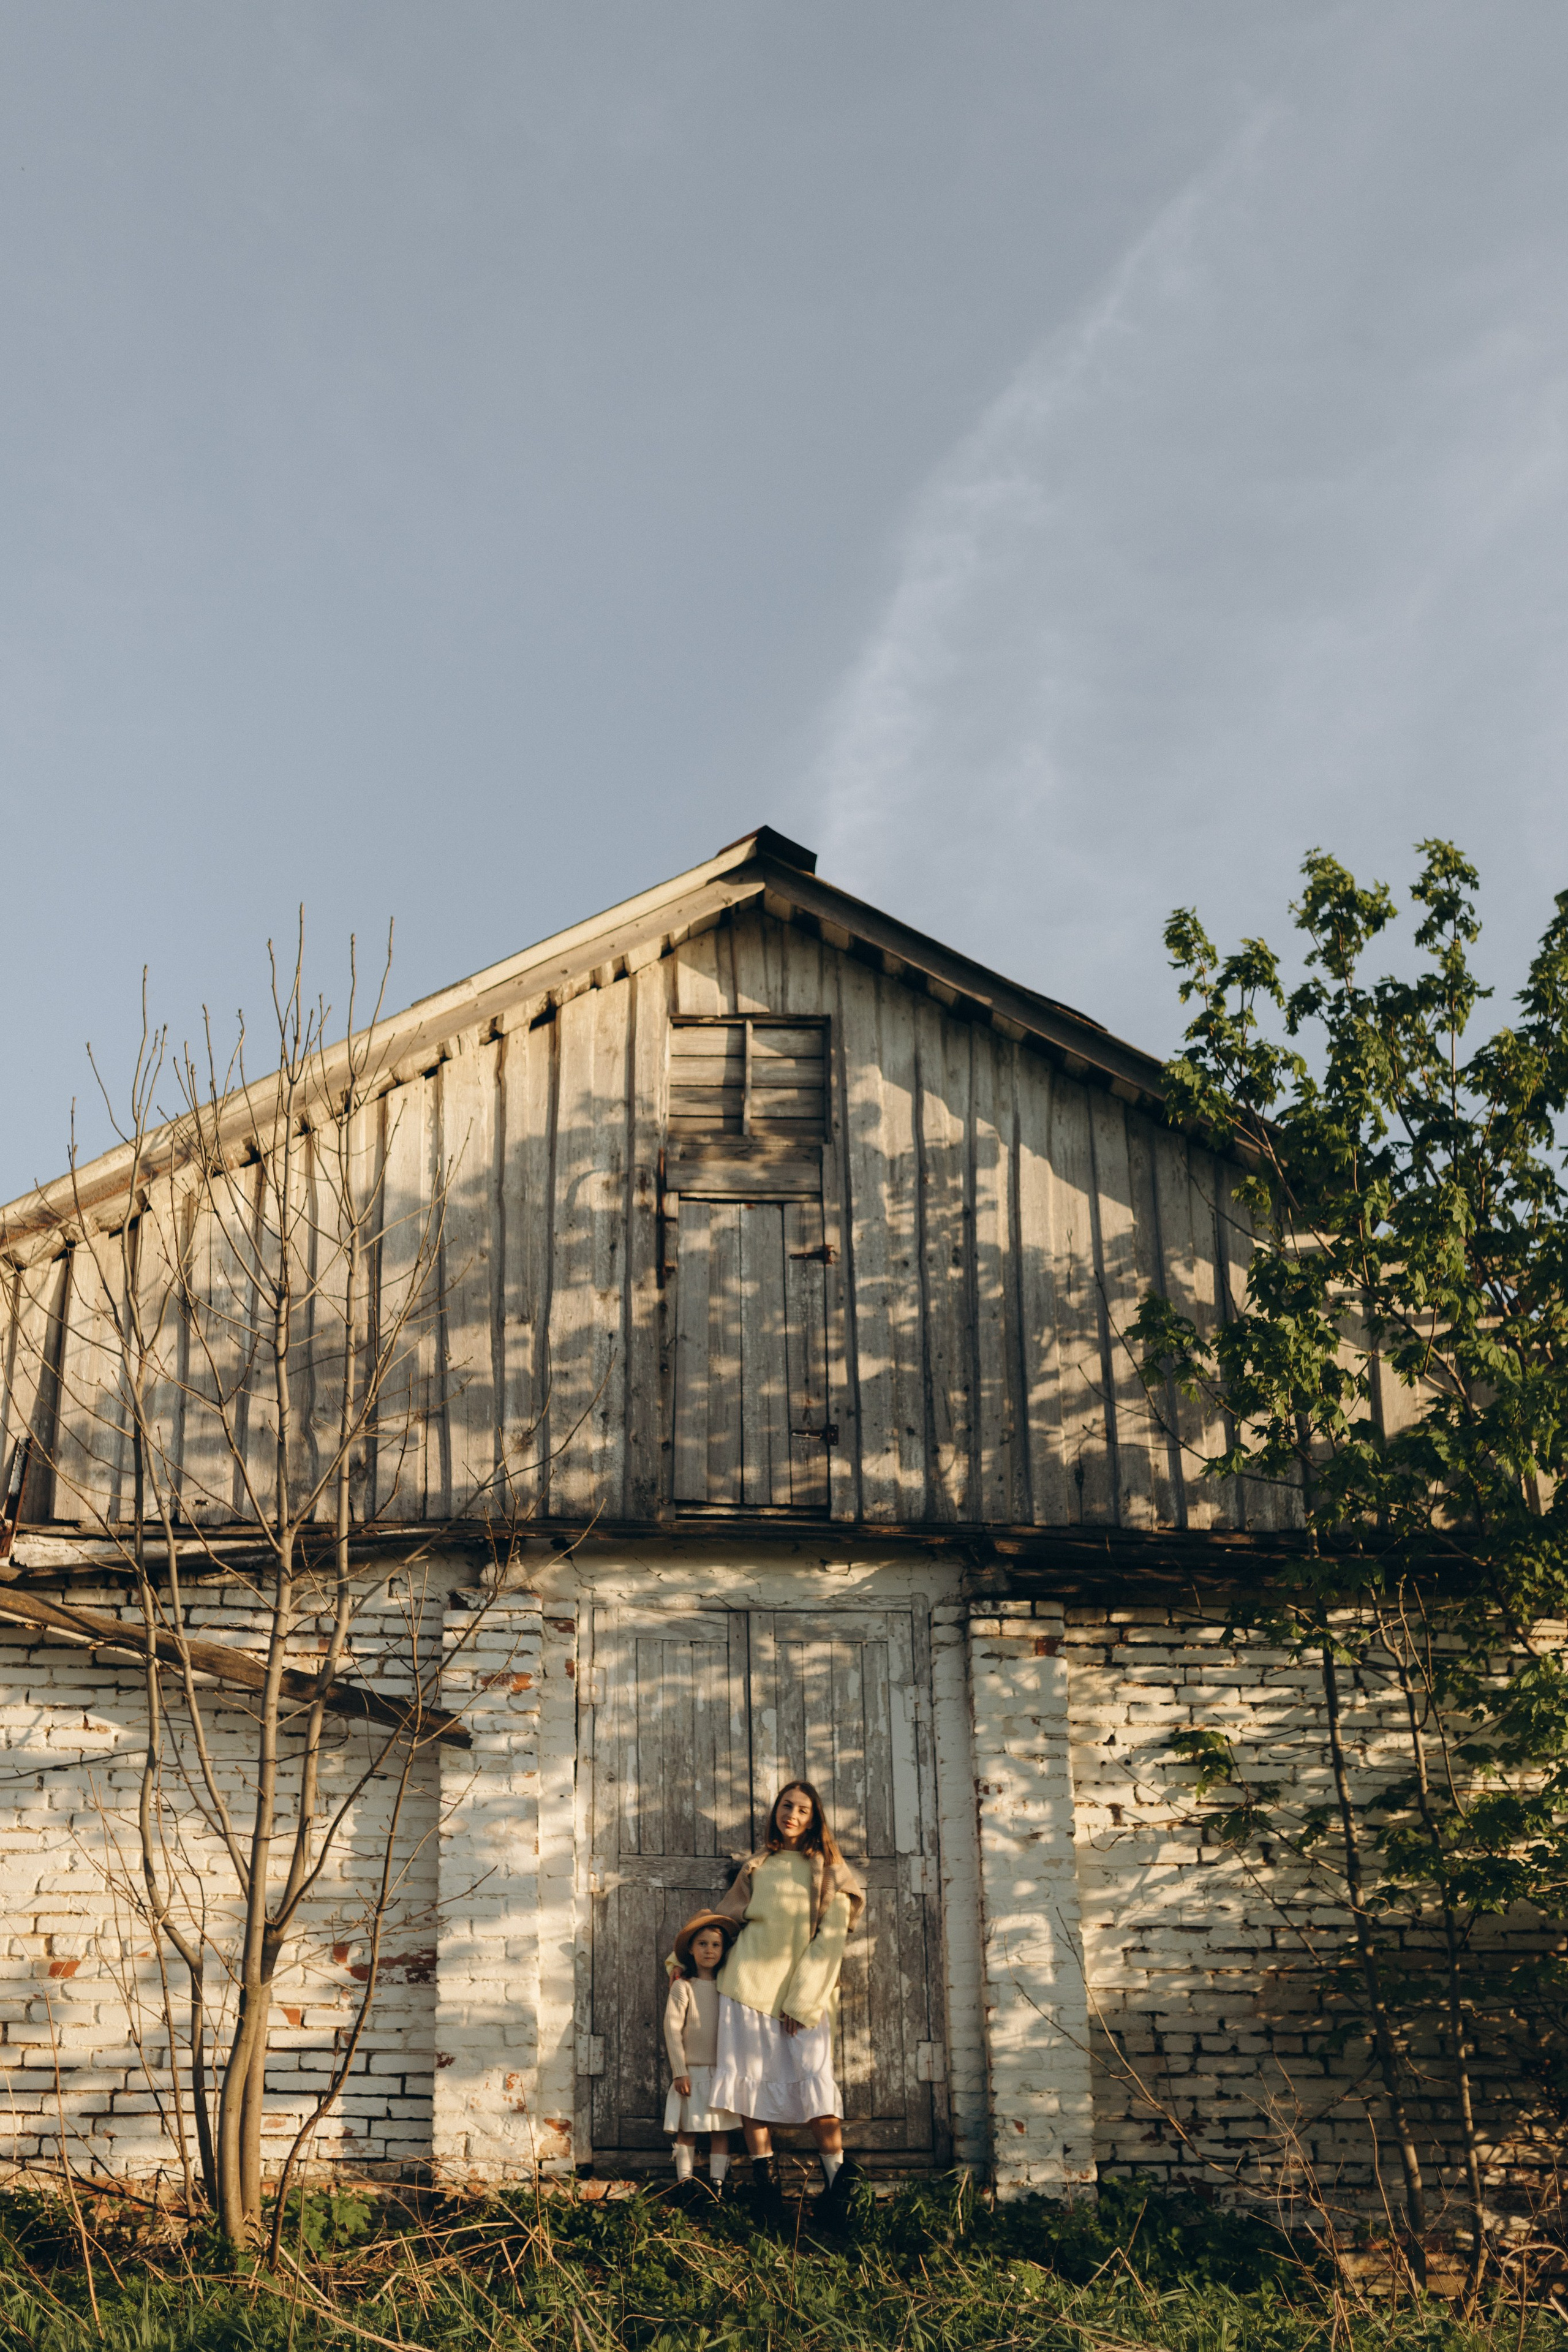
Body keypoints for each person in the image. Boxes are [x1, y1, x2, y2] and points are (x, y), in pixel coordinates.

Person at [707, 1779, 866, 2231]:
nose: (792, 1814)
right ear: (776, 1811)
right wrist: (681, 1958)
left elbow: (829, 1942)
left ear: (815, 1818)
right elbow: (726, 1919)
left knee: (816, 2088)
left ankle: (839, 2194)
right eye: (785, 1805)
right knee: (749, 2090)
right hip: (744, 1986)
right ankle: (768, 2193)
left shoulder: (831, 1871)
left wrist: (803, 2000)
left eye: (802, 1809)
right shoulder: (758, 1866)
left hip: (801, 1999)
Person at [662, 1912, 742, 2195]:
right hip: (692, 2072)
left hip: (721, 2071)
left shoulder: (728, 1988)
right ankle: (685, 2182)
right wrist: (679, 2071)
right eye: (703, 1944)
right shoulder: (683, 1987)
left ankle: (716, 2184)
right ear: (691, 1950)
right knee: (689, 2127)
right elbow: (672, 2030)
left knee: (721, 2129)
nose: (709, 1950)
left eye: (716, 1945)